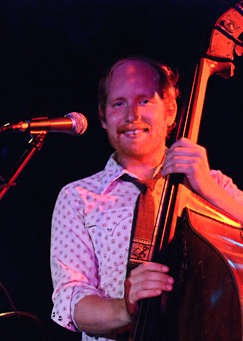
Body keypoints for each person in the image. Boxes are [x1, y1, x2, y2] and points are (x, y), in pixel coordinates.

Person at [50, 56, 243, 341]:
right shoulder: (77, 197)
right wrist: (125, 310)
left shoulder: (214, 184)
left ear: (170, 110)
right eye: (119, 104)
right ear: (103, 117)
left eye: (144, 101)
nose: (131, 116)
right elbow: (72, 302)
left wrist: (208, 190)